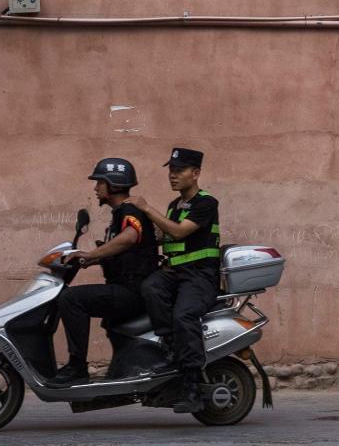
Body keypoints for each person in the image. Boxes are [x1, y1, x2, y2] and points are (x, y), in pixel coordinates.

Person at [48, 158, 160, 387]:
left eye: (99, 183)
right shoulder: (120, 213)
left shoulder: (129, 211)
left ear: (114, 185)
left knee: (71, 299)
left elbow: (131, 237)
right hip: (127, 287)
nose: (96, 189)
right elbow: (126, 251)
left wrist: (92, 254)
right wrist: (89, 260)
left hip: (132, 290)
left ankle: (77, 366)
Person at [126, 147, 221, 413]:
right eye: (171, 170)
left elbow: (179, 232)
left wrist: (147, 208)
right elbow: (165, 235)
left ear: (196, 173)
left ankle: (192, 385)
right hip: (176, 275)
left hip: (200, 277)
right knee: (150, 287)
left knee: (184, 315)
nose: (172, 176)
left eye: (179, 171)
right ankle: (169, 347)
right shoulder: (174, 205)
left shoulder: (206, 202)